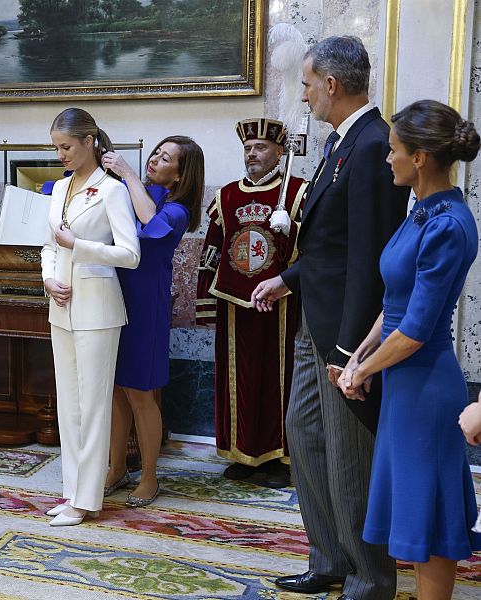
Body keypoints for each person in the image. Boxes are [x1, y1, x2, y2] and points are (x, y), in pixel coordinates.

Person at [252, 36, 409, 599]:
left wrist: (352, 353)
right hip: (313, 317)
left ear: (333, 85)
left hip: (344, 335)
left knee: (349, 458)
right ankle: (330, 559)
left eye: (307, 84)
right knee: (307, 436)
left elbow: (371, 257)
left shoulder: (372, 145)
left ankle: (369, 580)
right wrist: (286, 277)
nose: (304, 95)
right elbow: (329, 246)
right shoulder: (343, 144)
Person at [337, 99, 481, 600]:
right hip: (405, 380)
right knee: (414, 515)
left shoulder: (448, 224)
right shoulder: (421, 211)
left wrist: (360, 373)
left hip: (426, 385)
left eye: (393, 149)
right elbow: (396, 304)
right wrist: (362, 354)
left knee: (431, 520)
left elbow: (417, 329)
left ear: (419, 157)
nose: (386, 158)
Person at [42, 107, 140, 527]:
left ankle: (87, 500)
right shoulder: (60, 188)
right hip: (61, 306)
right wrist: (48, 278)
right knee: (69, 404)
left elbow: (130, 254)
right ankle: (70, 492)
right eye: (56, 148)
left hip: (98, 309)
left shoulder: (113, 190)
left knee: (94, 405)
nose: (61, 154)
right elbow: (49, 245)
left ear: (89, 142)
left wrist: (80, 246)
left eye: (66, 146)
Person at [197, 118, 307, 489]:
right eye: (248, 149)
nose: (252, 155)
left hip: (282, 306)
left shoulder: (296, 194)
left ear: (279, 152)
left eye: (260, 148)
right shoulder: (226, 196)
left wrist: (291, 228)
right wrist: (204, 301)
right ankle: (242, 453)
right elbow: (211, 252)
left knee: (278, 380)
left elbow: (316, 249)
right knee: (238, 379)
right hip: (235, 305)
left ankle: (277, 457)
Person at [99, 136, 202, 507]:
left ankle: (149, 475)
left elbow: (150, 222)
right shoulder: (133, 191)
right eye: (155, 154)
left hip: (145, 307)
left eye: (165, 158)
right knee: (115, 389)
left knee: (141, 392)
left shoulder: (177, 211)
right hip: (114, 297)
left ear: (179, 175)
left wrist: (127, 172)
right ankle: (116, 467)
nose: (155, 160)